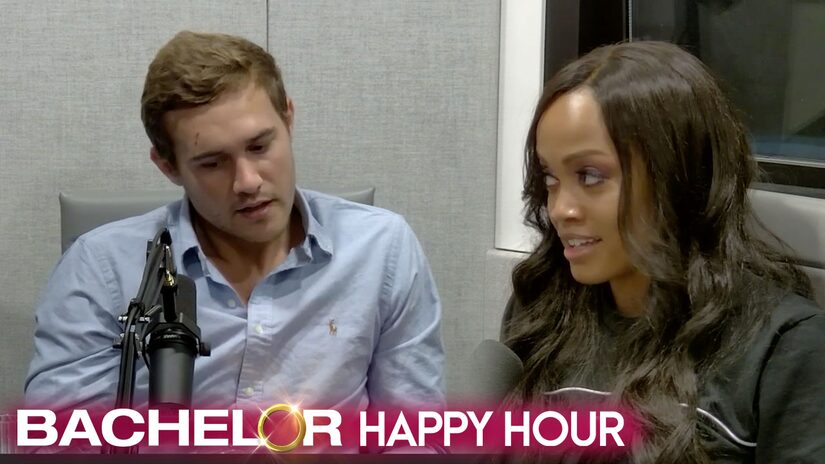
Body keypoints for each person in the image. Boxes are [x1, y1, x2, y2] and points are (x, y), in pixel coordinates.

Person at [25, 31, 444, 416]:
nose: (247, 182)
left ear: (288, 119)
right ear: (168, 166)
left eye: (259, 146)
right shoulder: (100, 268)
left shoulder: (382, 249)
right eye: (212, 163)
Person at [501, 41, 825, 462]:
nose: (561, 209)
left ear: (677, 177)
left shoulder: (784, 347)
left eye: (591, 176)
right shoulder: (541, 311)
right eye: (550, 179)